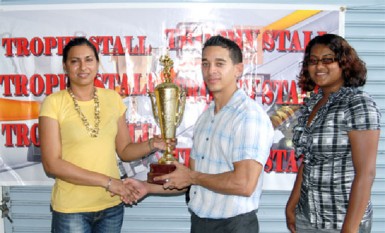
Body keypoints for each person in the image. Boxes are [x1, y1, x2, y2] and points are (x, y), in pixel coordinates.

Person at [140, 35, 274, 233]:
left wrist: (192, 177)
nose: (211, 70)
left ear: (238, 69)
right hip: (200, 222)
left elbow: (243, 184)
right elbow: (189, 179)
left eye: (220, 63)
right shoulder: (205, 117)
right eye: (205, 63)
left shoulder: (249, 116)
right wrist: (146, 187)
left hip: (234, 226)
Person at [38, 37, 169, 233]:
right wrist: (108, 183)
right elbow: (52, 164)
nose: (83, 67)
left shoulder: (112, 99)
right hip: (72, 209)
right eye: (75, 61)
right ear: (65, 67)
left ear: (97, 64)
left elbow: (124, 150)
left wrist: (152, 144)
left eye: (89, 60)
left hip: (111, 207)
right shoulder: (53, 103)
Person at [285, 34, 381, 233]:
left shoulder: (357, 103)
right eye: (313, 61)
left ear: (344, 63)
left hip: (342, 222)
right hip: (308, 217)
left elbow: (366, 174)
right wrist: (292, 204)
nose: (319, 66)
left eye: (328, 59)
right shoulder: (314, 103)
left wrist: (349, 230)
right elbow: (309, 160)